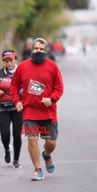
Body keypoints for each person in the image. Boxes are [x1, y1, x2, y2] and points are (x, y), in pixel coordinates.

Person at [10, 38, 64, 181]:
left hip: (48, 112)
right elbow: (14, 86)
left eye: (41, 49)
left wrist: (51, 99)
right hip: (30, 112)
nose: (38, 51)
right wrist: (17, 101)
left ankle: (46, 155)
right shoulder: (22, 66)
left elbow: (59, 88)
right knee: (32, 139)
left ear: (45, 51)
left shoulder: (52, 66)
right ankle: (37, 169)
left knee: (51, 142)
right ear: (31, 49)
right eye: (36, 48)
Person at [0, 50, 23, 168]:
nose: (9, 63)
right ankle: (7, 148)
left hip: (17, 108)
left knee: (17, 134)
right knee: (5, 134)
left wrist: (19, 94)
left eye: (11, 60)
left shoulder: (21, 72)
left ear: (15, 60)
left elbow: (26, 87)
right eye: (6, 61)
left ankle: (16, 159)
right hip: (2, 108)